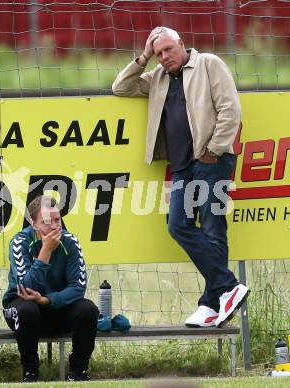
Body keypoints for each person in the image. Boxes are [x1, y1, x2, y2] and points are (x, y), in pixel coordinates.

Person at [112, 26, 249, 328]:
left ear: (182, 44)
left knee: (213, 229)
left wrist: (213, 149)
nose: (164, 57)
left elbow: (231, 110)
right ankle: (227, 288)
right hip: (182, 167)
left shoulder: (209, 64)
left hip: (211, 161)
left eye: (167, 50)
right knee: (178, 225)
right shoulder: (157, 77)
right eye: (158, 53)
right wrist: (144, 56)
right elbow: (120, 87)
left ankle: (211, 304)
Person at [2, 195, 99, 382]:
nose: (55, 226)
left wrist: (47, 300)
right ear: (34, 223)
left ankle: (79, 372)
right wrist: (45, 251)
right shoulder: (19, 242)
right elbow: (26, 287)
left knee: (88, 310)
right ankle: (30, 372)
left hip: (55, 305)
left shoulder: (70, 241)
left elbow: (78, 287)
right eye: (47, 221)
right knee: (27, 309)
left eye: (57, 220)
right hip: (24, 307)